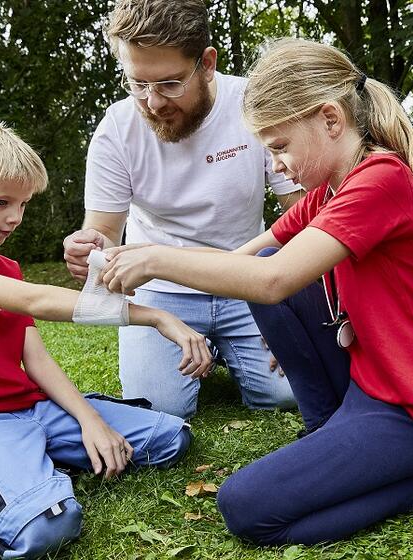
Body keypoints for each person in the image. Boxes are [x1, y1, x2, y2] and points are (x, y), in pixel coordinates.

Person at [96, 39, 413, 545]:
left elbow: (274, 281)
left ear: (330, 119)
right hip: (369, 385)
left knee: (245, 508)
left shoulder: (381, 181)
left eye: (280, 146)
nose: (277, 165)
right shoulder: (331, 190)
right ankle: (326, 429)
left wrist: (152, 258)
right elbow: (247, 260)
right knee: (266, 261)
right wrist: (155, 284)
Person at [0, 121, 209, 559]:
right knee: (45, 528)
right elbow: (34, 300)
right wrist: (153, 315)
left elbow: (34, 359)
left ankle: (36, 461)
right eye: (1, 202)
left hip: (28, 407)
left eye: (22, 204)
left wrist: (91, 419)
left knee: (170, 438)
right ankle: (3, 482)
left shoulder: (6, 266)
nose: (15, 217)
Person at [63, 0, 302, 420]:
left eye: (170, 84)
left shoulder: (253, 105)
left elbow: (302, 215)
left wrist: (295, 308)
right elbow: (103, 233)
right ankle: (205, 350)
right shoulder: (116, 129)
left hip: (246, 279)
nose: (152, 102)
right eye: (137, 84)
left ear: (207, 63)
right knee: (158, 409)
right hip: (158, 290)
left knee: (289, 393)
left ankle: (229, 347)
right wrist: (89, 248)